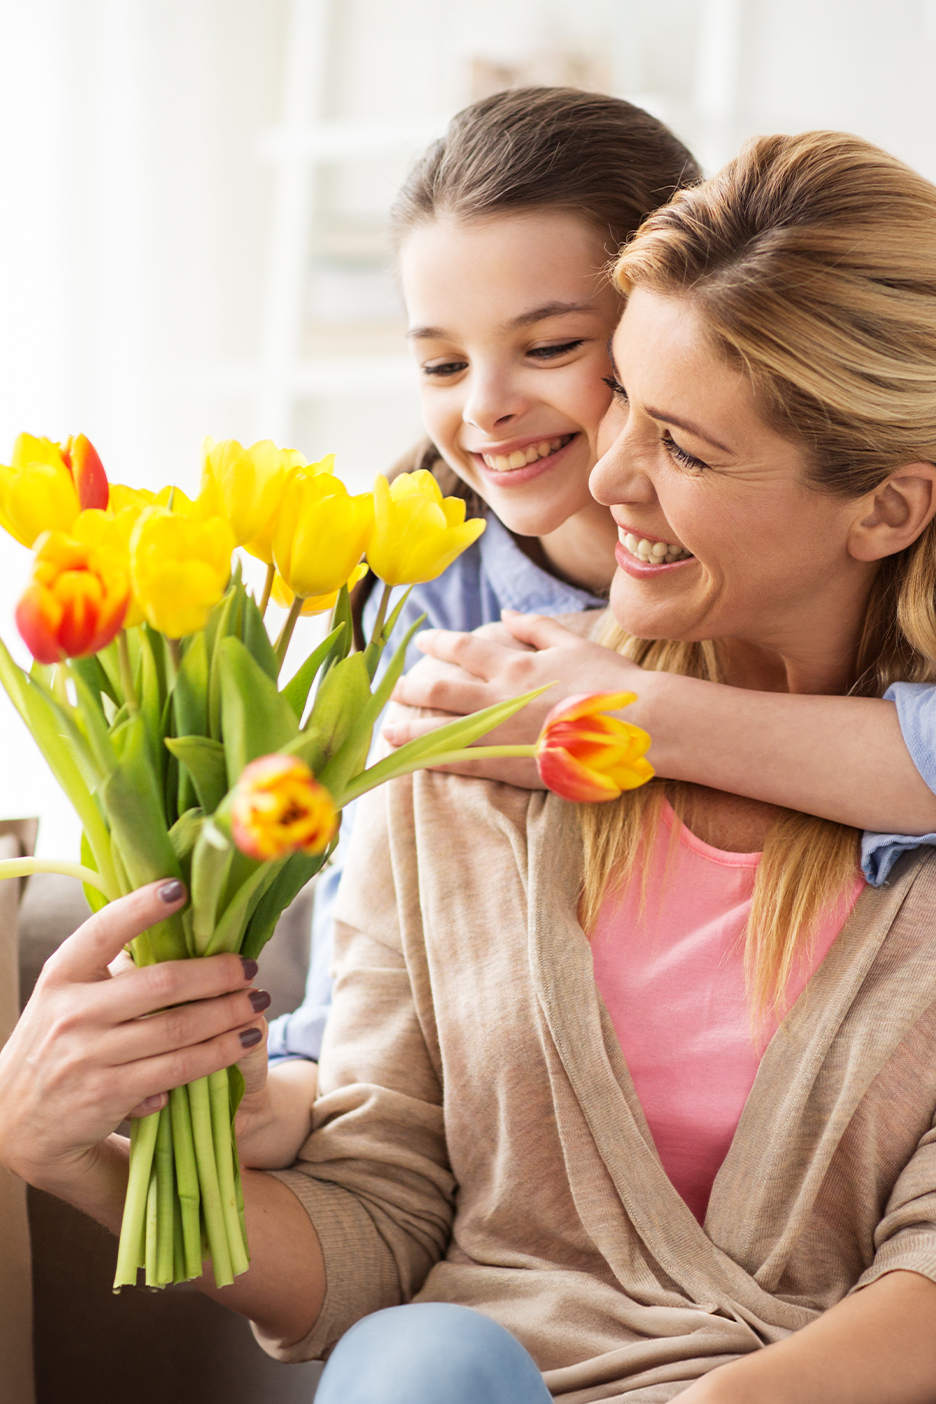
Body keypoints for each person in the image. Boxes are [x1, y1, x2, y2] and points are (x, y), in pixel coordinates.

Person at [7, 129, 936, 1403]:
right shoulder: (472, 727)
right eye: (624, 406)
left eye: (682, 444)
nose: (604, 478)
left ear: (888, 505)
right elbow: (378, 1222)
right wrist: (76, 1156)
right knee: (419, 1358)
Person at [267, 85, 702, 1065]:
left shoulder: (796, 548)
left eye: (548, 347)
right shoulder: (424, 589)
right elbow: (363, 973)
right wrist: (287, 1079)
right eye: (441, 366)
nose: (487, 409)